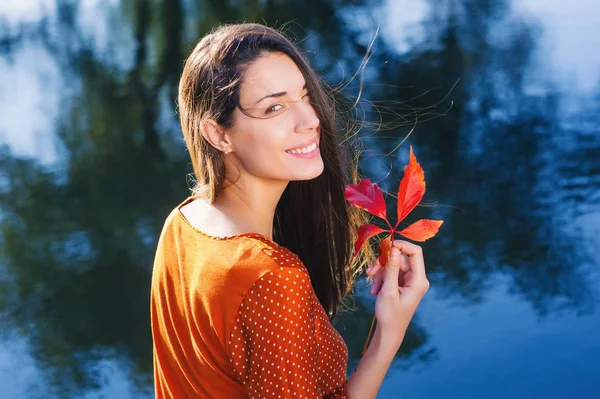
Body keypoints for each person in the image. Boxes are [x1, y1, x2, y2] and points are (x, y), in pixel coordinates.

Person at [150, 23, 430, 399]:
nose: (310, 120)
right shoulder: (274, 280)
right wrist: (389, 335)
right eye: (275, 107)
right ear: (218, 134)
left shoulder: (182, 224)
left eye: (304, 96)